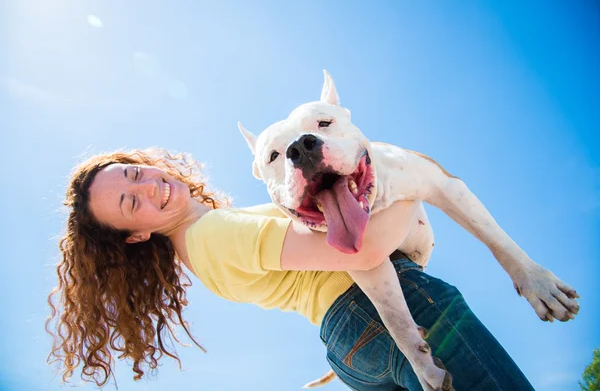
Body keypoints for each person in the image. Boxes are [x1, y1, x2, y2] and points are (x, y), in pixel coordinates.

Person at [46, 148, 535, 390]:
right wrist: (409, 182)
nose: (150, 187)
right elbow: (360, 253)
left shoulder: (202, 250)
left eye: (135, 174)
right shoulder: (213, 235)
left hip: (351, 347)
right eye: (132, 202)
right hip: (382, 309)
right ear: (135, 236)